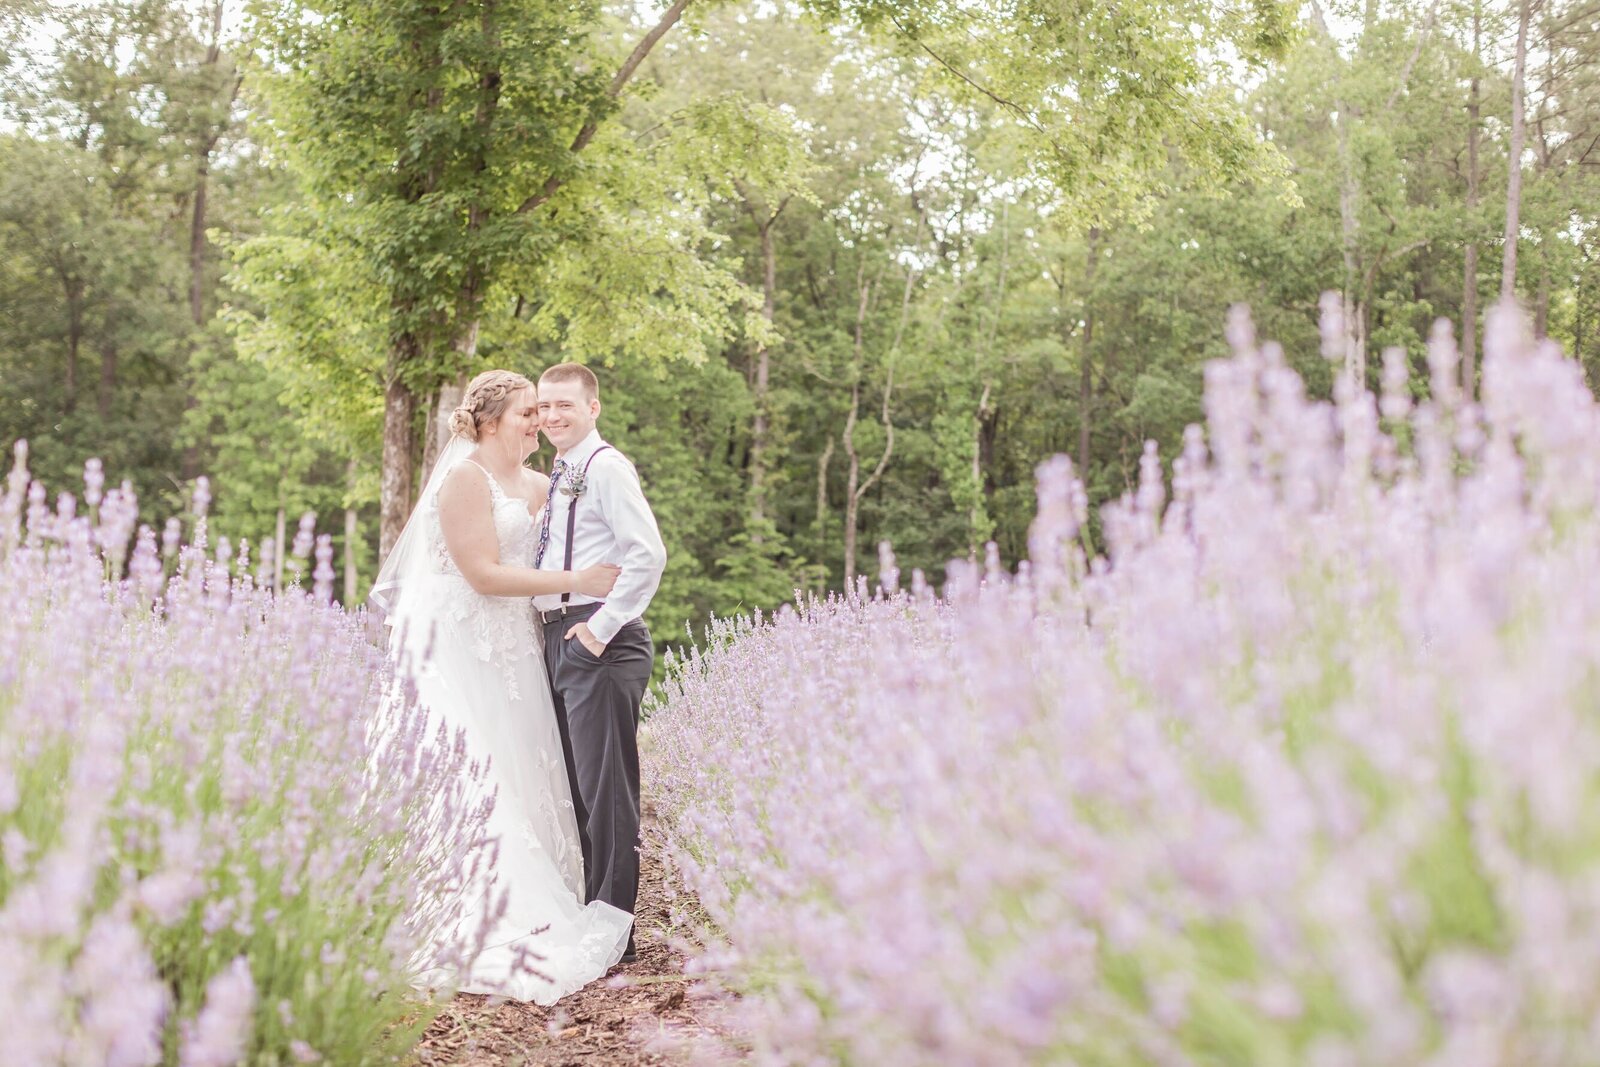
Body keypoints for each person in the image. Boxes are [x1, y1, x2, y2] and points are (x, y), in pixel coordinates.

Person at [370, 369, 634, 1003]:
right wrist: (582, 580)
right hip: (462, 646)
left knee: (525, 764)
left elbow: (577, 536)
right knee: (473, 766)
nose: (537, 422)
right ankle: (463, 904)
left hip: (519, 646)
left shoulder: (544, 484)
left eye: (541, 411)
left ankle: (550, 897)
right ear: (489, 421)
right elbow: (485, 576)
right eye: (525, 413)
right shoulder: (464, 480)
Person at [533, 362, 667, 964]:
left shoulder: (606, 468)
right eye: (544, 406)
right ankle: (592, 921)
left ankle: (614, 938)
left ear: (593, 407)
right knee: (578, 793)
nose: (552, 416)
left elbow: (648, 555)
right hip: (561, 638)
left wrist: (598, 630)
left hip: (600, 643)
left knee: (607, 793)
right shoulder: (561, 472)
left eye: (564, 404)